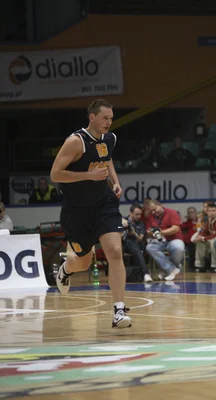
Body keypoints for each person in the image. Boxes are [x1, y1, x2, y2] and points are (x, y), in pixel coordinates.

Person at [49, 99, 131, 329]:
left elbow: (107, 159)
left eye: (111, 118)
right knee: (83, 263)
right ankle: (66, 268)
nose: (109, 122)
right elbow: (55, 174)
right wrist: (88, 175)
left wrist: (114, 181)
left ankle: (118, 311)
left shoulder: (110, 138)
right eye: (105, 118)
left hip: (104, 204)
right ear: (92, 117)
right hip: (77, 210)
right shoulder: (76, 142)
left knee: (115, 251)